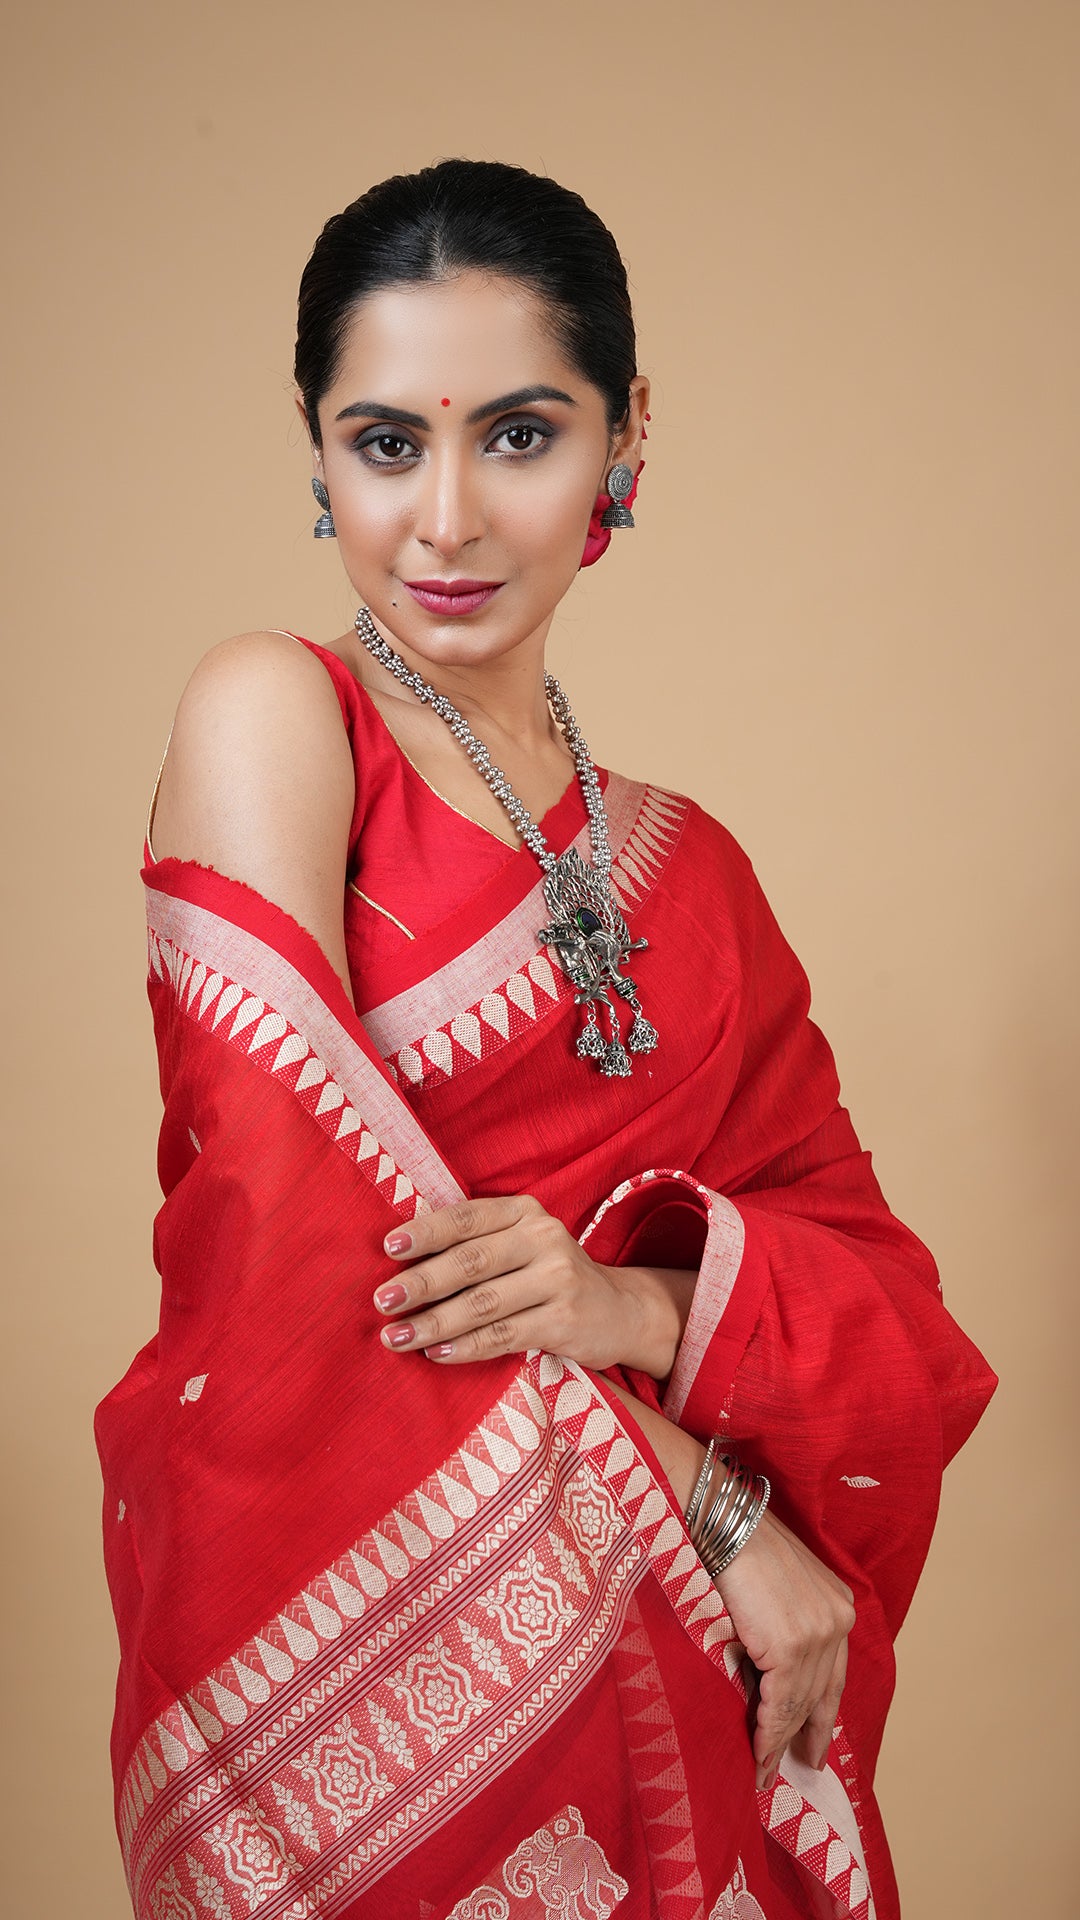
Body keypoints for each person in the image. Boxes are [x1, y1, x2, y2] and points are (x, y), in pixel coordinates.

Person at [96, 159, 995, 1920]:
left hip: (660, 1674)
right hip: (351, 1645)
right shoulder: (281, 716)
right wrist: (723, 1520)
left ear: (624, 436)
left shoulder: (696, 871)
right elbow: (309, 1246)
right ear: (314, 443)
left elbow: (879, 1296)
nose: (444, 522)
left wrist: (646, 1302)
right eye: (383, 442)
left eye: (517, 435)